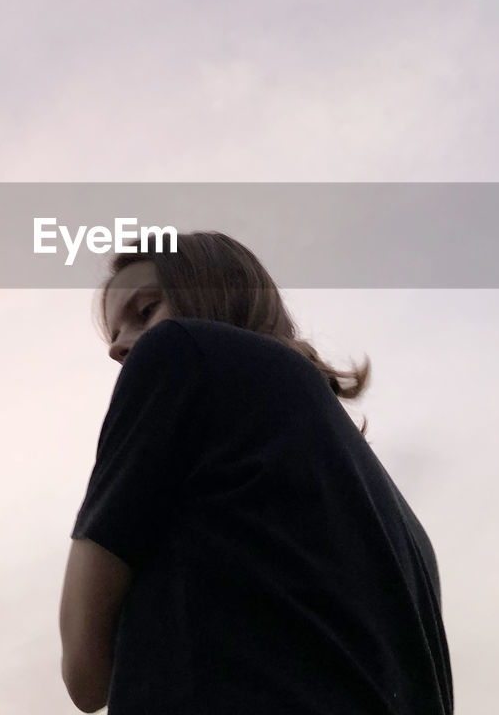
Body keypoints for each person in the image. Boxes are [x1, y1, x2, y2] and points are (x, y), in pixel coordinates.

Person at [58, 231, 453, 714]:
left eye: (144, 312)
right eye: (114, 335)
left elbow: (84, 673)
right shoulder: (406, 531)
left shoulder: (181, 352)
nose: (120, 348)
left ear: (216, 291)